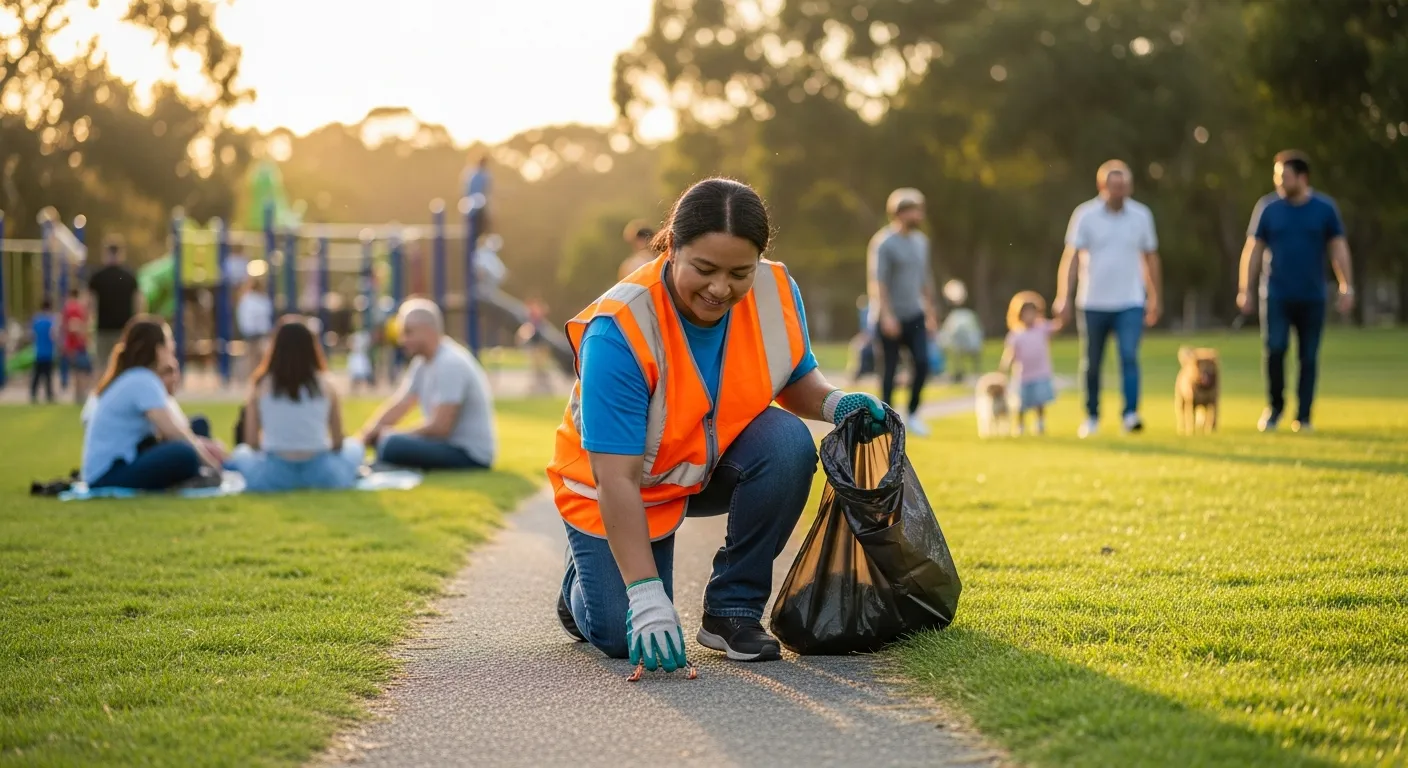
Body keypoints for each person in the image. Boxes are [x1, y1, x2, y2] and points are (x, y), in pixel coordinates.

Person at [547, 178, 888, 672]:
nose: (720, 289)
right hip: (621, 488)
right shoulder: (619, 328)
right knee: (622, 635)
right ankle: (581, 583)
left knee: (788, 442)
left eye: (739, 273)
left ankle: (732, 611)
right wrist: (644, 598)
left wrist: (836, 404)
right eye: (703, 269)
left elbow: (794, 377)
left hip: (704, 465)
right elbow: (613, 478)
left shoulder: (774, 291)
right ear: (670, 249)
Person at [1237, 150, 1354, 433]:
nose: (1279, 182)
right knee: (1275, 349)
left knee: (1308, 356)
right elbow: (1253, 250)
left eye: (1284, 177)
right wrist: (1246, 289)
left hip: (1312, 296)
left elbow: (1337, 248)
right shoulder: (1268, 208)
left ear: (1302, 177)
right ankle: (1275, 409)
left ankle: (1303, 416)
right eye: (1277, 176)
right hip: (1275, 293)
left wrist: (1346, 285)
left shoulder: (1325, 209)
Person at [1053, 160, 1162, 439]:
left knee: (1129, 356)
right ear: (1103, 186)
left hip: (1130, 300)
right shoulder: (1085, 215)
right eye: (1115, 186)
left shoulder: (1141, 215)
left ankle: (1130, 414)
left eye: (1124, 186)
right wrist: (1063, 296)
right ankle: (1091, 416)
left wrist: (1155, 296)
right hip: (1092, 302)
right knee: (1091, 362)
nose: (1120, 191)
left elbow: (1150, 258)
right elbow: (1072, 258)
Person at [81, 316, 222, 490]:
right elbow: (172, 431)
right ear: (158, 349)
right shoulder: (143, 379)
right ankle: (194, 475)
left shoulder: (136, 377)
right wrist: (212, 463)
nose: (173, 346)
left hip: (115, 465)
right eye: (169, 341)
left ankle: (191, 474)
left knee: (197, 427)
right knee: (185, 454)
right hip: (109, 474)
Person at [230, 317, 364, 492]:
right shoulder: (326, 384)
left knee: (241, 453)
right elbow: (338, 442)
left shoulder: (260, 385)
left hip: (272, 477)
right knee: (354, 446)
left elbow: (251, 442)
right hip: (323, 476)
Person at [359, 299, 496, 470]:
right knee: (387, 441)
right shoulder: (422, 363)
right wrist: (366, 435)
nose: (402, 340)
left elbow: (440, 428)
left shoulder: (450, 363)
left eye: (408, 332)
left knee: (391, 443)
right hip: (447, 446)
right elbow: (400, 404)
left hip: (469, 453)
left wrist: (392, 434)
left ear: (428, 330)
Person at [868, 187, 939, 436]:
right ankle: (886, 421)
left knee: (922, 362)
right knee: (888, 373)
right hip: (889, 317)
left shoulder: (922, 243)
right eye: (915, 210)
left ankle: (913, 413)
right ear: (900, 213)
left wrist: (930, 312)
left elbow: (925, 279)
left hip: (915, 314)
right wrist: (887, 315)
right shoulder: (883, 243)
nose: (919, 215)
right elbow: (879, 282)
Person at [1000, 291, 1062, 435]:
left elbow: (1058, 326)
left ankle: (1040, 423)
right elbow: (1010, 353)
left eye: (1032, 312)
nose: (1029, 316)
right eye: (1026, 313)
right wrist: (1004, 368)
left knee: (1039, 401)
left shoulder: (1042, 328)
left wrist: (1061, 313)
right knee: (1021, 403)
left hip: (1041, 372)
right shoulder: (1016, 334)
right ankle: (1020, 426)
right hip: (1023, 375)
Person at [87, 238, 143, 367]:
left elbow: (89, 303)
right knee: (123, 365)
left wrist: (89, 326)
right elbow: (139, 303)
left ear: (105, 253)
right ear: (121, 254)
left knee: (102, 366)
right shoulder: (130, 276)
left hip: (103, 329)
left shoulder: (97, 277)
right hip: (124, 330)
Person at [938, 280, 983, 383]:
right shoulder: (956, 316)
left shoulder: (965, 315)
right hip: (958, 345)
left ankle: (967, 371)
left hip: (967, 343)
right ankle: (959, 371)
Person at [236, 277, 274, 380]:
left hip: (256, 333)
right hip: (255, 333)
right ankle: (255, 378)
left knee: (259, 358)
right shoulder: (251, 300)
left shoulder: (256, 299)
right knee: (255, 358)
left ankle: (258, 378)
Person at [62, 288, 93, 403]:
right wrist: (83, 335)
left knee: (78, 371)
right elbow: (73, 325)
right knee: (82, 370)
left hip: (73, 344)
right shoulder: (75, 308)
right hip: (78, 344)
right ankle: (80, 396)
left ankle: (79, 395)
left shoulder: (68, 307)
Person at [29, 299, 58, 404]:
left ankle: (33, 394)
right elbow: (53, 335)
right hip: (48, 352)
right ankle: (49, 395)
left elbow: (32, 335)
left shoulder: (36, 320)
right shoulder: (51, 320)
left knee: (36, 375)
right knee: (48, 376)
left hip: (38, 352)